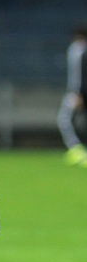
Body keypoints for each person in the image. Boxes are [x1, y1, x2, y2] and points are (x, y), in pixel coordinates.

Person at [57, 27, 87, 165]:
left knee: (64, 119)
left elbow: (78, 74)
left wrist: (78, 92)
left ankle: (76, 149)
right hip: (80, 91)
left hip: (77, 92)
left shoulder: (77, 49)